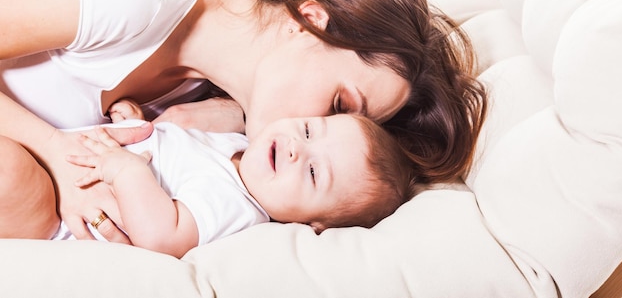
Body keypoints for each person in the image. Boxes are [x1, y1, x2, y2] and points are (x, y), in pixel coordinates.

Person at [0, 0, 487, 243]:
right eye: (338, 106)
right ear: (313, 21)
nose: (312, 129)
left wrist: (232, 111)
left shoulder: (250, 60)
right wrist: (55, 153)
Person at [0, 101, 417, 258]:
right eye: (309, 130)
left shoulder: (236, 206)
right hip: (56, 159)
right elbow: (170, 151)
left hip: (52, 212)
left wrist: (125, 168)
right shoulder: (236, 146)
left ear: (315, 224)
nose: (295, 148)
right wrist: (135, 123)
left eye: (312, 172)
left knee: (9, 172)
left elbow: (161, 236)